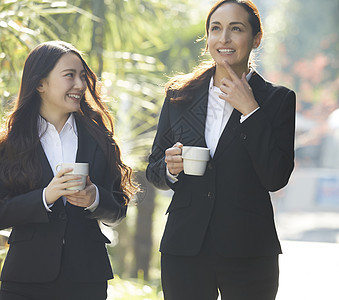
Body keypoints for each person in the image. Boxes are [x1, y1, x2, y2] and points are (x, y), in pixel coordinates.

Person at [146, 1, 296, 299]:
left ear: (256, 39)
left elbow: (275, 177)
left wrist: (251, 110)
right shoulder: (180, 96)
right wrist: (170, 168)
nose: (224, 38)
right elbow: (154, 169)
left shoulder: (277, 100)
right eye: (216, 29)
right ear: (208, 38)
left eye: (235, 29)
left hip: (249, 249)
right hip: (185, 247)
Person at [0, 41, 137, 300]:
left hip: (87, 279)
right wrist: (45, 197)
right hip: (24, 280)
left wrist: (94, 197)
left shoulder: (99, 138)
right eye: (69, 76)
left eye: (83, 76)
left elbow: (118, 209)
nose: (80, 85)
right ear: (40, 84)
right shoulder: (10, 145)